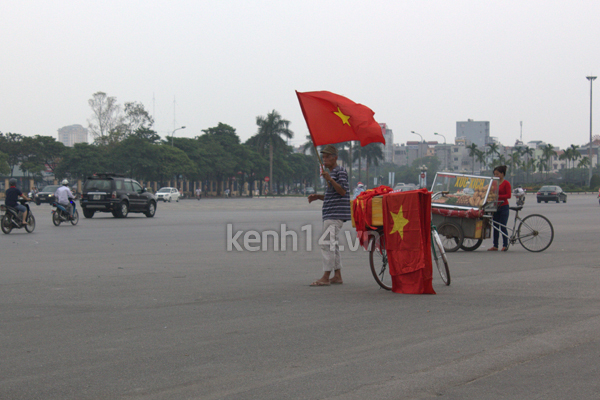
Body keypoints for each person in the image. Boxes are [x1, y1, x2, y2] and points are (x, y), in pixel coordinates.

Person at [308, 145, 351, 286]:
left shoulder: (340, 172)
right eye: (323, 157)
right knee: (333, 245)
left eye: (327, 157)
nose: (324, 160)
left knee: (326, 243)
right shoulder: (332, 173)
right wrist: (318, 197)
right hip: (330, 213)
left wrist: (330, 180)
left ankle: (326, 276)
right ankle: (337, 275)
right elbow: (333, 194)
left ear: (335, 158)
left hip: (335, 214)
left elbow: (343, 191)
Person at [488, 165, 512, 251]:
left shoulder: (506, 183)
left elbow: (508, 195)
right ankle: (495, 245)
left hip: (504, 207)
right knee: (495, 227)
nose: (496, 176)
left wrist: (498, 196)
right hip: (495, 207)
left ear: (502, 174)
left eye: (497, 174)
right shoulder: (494, 183)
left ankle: (505, 245)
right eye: (494, 174)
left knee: (503, 226)